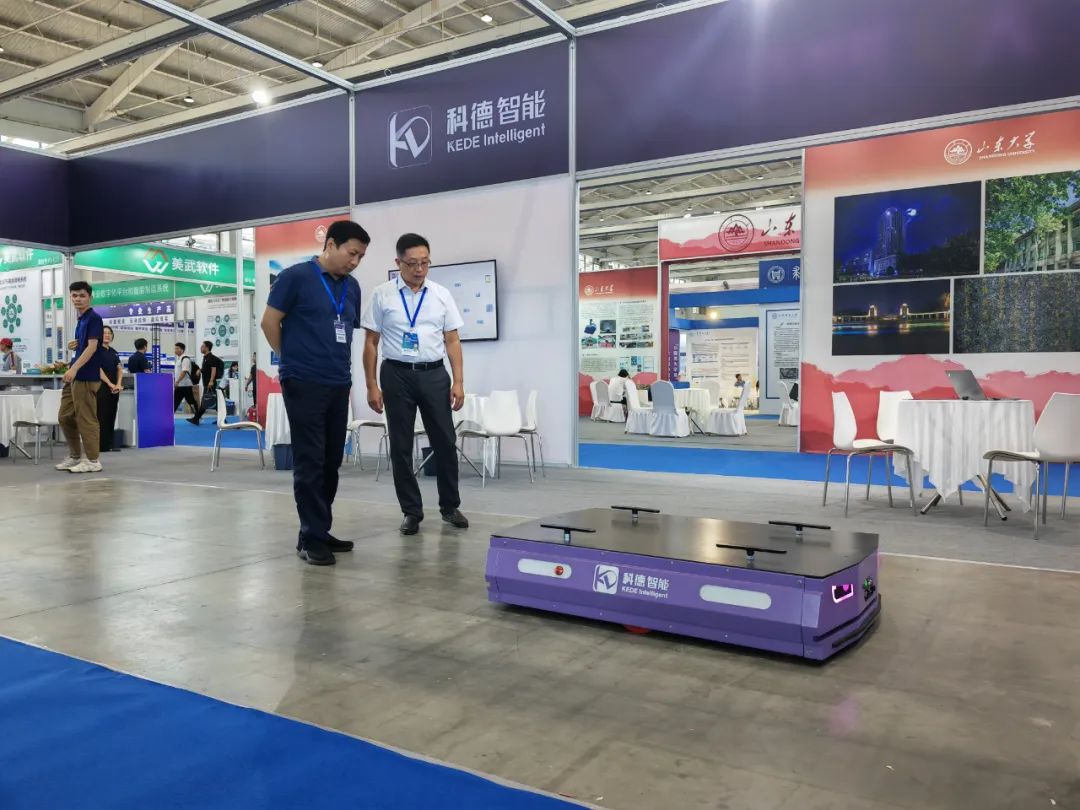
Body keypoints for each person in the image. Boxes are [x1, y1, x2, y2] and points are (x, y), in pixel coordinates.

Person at [261, 220, 368, 566]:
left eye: (361, 257)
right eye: (351, 253)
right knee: (310, 460)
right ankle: (311, 537)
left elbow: (345, 330)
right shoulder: (294, 277)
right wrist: (290, 359)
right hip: (303, 381)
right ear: (331, 244)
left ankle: (318, 529)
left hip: (338, 382)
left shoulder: (352, 287)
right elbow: (269, 322)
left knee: (331, 461)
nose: (355, 261)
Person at [362, 233, 469, 537]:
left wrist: (459, 381)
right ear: (398, 263)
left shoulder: (441, 294)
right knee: (400, 445)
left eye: (425, 262)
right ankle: (411, 511)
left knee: (445, 442)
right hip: (396, 375)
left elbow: (452, 340)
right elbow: (370, 343)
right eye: (412, 263)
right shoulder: (382, 295)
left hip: (433, 374)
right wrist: (371, 385)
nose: (419, 269)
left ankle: (450, 506)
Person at [55, 281, 104, 474]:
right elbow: (85, 345)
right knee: (65, 416)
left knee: (86, 418)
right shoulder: (81, 319)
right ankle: (75, 456)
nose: (78, 299)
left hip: (86, 376)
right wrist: (75, 344)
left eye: (82, 295)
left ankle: (92, 460)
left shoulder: (94, 318)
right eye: (74, 295)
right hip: (75, 376)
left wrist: (74, 368)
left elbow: (93, 347)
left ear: (90, 297)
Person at [97, 326, 123, 452]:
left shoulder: (113, 351)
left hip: (114, 387)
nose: (107, 335)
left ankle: (109, 444)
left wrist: (118, 384)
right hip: (101, 386)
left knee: (112, 414)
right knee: (101, 414)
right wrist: (109, 383)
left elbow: (119, 369)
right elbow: (98, 369)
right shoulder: (96, 350)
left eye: (109, 333)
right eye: (104, 333)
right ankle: (100, 445)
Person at [188, 341, 224, 425]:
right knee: (214, 402)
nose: (201, 348)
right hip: (207, 383)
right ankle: (222, 419)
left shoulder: (211, 358)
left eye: (202, 346)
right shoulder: (206, 358)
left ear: (207, 347)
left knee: (205, 402)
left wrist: (211, 381)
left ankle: (196, 419)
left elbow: (213, 369)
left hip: (209, 383)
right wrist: (200, 370)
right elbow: (207, 368)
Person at [173, 342, 198, 415]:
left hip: (185, 385)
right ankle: (169, 416)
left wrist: (177, 381)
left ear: (182, 350)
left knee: (191, 401)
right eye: (175, 348)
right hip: (180, 385)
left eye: (177, 348)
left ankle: (198, 415)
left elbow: (184, 371)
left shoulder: (185, 359)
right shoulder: (179, 359)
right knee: (175, 401)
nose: (175, 350)